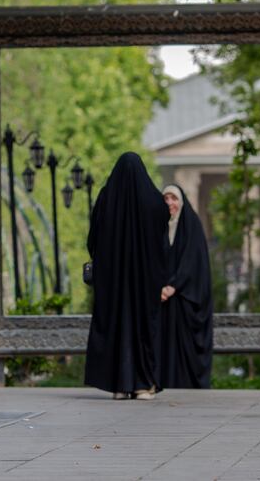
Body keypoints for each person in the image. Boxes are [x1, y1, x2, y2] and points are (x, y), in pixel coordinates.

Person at [85, 153, 170, 400]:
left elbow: (93, 240)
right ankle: (144, 385)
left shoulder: (106, 198)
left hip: (113, 284)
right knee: (144, 328)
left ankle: (119, 386)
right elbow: (163, 242)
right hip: (145, 282)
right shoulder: (154, 201)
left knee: (116, 326)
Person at [159, 185, 213, 389]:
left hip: (185, 300)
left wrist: (174, 286)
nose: (170, 203)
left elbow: (193, 262)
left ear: (181, 201)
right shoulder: (159, 227)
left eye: (174, 198)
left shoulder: (192, 226)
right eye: (165, 198)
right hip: (163, 300)